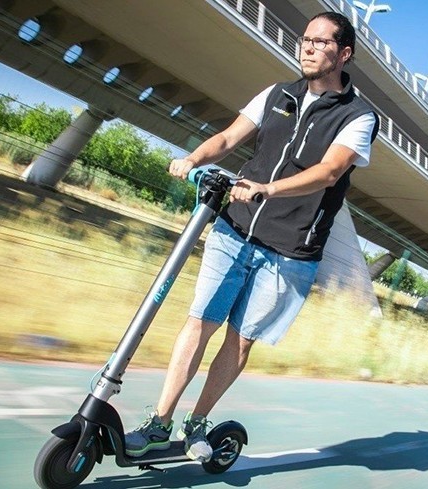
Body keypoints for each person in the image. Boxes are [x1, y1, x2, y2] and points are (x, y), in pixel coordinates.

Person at [124, 11, 379, 462]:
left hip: (292, 250)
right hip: (234, 228)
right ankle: (159, 423)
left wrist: (268, 189)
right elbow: (226, 139)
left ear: (344, 53)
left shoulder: (359, 116)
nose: (308, 47)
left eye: (321, 42)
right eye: (305, 40)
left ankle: (197, 423)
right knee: (200, 320)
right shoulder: (277, 93)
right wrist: (192, 157)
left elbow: (330, 171)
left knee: (240, 340)